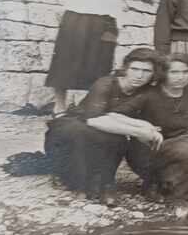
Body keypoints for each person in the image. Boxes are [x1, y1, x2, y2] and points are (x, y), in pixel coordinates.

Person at [43, 47, 162, 204]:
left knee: (117, 139)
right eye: (135, 69)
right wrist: (138, 131)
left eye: (146, 71)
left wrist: (148, 129)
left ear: (154, 74)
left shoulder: (147, 92)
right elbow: (94, 119)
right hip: (76, 126)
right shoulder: (106, 83)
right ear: (126, 68)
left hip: (107, 132)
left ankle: (107, 184)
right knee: (85, 133)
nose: (139, 75)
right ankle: (79, 184)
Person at [112, 53, 188, 200]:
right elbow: (116, 114)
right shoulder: (149, 94)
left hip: (183, 141)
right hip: (150, 149)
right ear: (163, 73)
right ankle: (155, 185)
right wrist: (141, 127)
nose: (181, 77)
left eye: (185, 72)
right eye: (174, 72)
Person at [44, 0, 126, 115]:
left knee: (100, 63)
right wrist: (72, 8)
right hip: (78, 18)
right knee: (66, 60)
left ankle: (90, 105)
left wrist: (118, 23)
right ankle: (60, 105)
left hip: (105, 21)